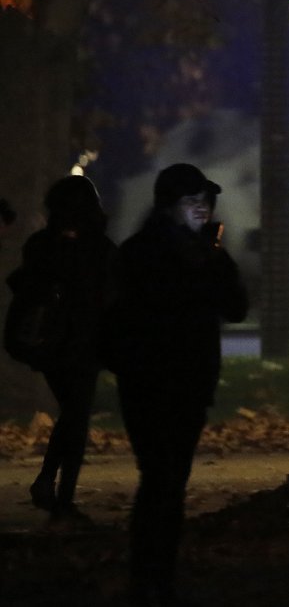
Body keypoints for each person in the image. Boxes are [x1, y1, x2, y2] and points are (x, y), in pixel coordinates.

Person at [103, 163, 248, 604]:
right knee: (162, 478)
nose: (202, 210)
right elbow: (118, 318)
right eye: (192, 202)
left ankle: (153, 573)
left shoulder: (198, 252)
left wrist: (216, 258)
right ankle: (151, 575)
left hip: (182, 381)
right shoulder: (143, 254)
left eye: (206, 202)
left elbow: (237, 307)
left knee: (166, 479)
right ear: (169, 206)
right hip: (156, 380)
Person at [10, 176, 116, 524]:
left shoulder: (42, 244)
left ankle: (50, 485)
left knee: (73, 415)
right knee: (76, 417)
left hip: (52, 346)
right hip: (79, 345)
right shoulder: (95, 247)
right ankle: (61, 497)